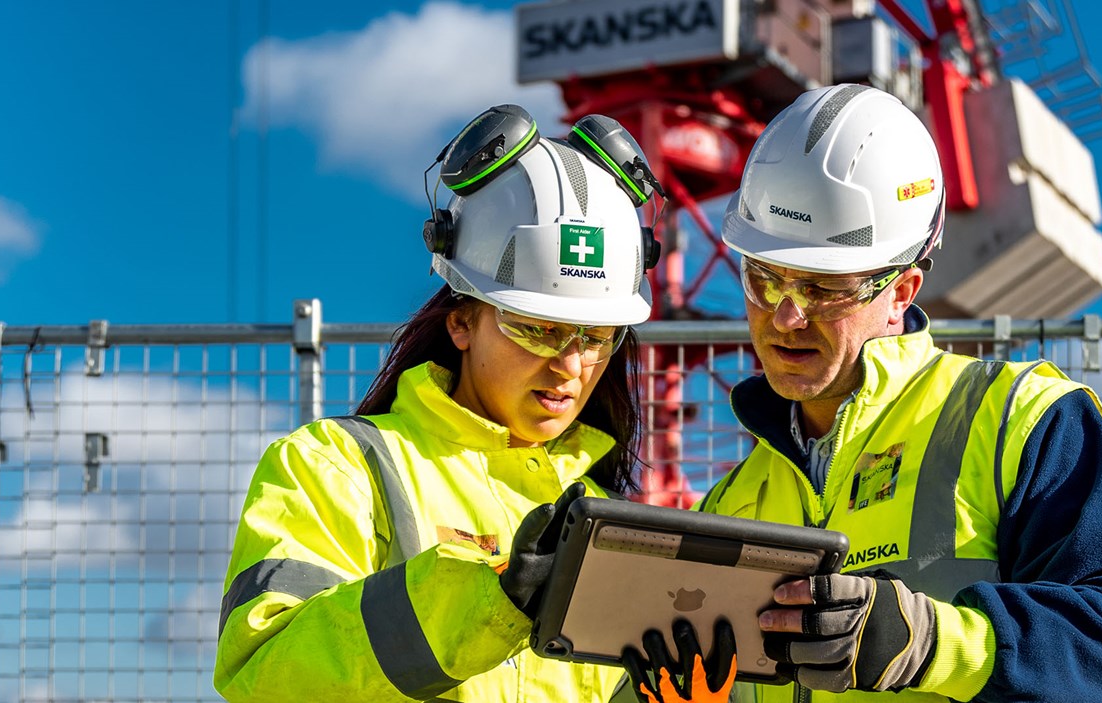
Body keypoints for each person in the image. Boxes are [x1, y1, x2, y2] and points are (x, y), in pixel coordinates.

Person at [213, 104, 733, 703]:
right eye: (536, 328)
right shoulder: (335, 466)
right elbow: (264, 670)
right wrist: (488, 599)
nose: (570, 365)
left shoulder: (601, 512)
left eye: (595, 338)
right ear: (462, 321)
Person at [697, 84, 1102, 701]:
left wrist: (927, 643)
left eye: (822, 289)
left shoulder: (1025, 423)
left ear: (901, 290)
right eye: (765, 279)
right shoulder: (730, 502)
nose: (784, 317)